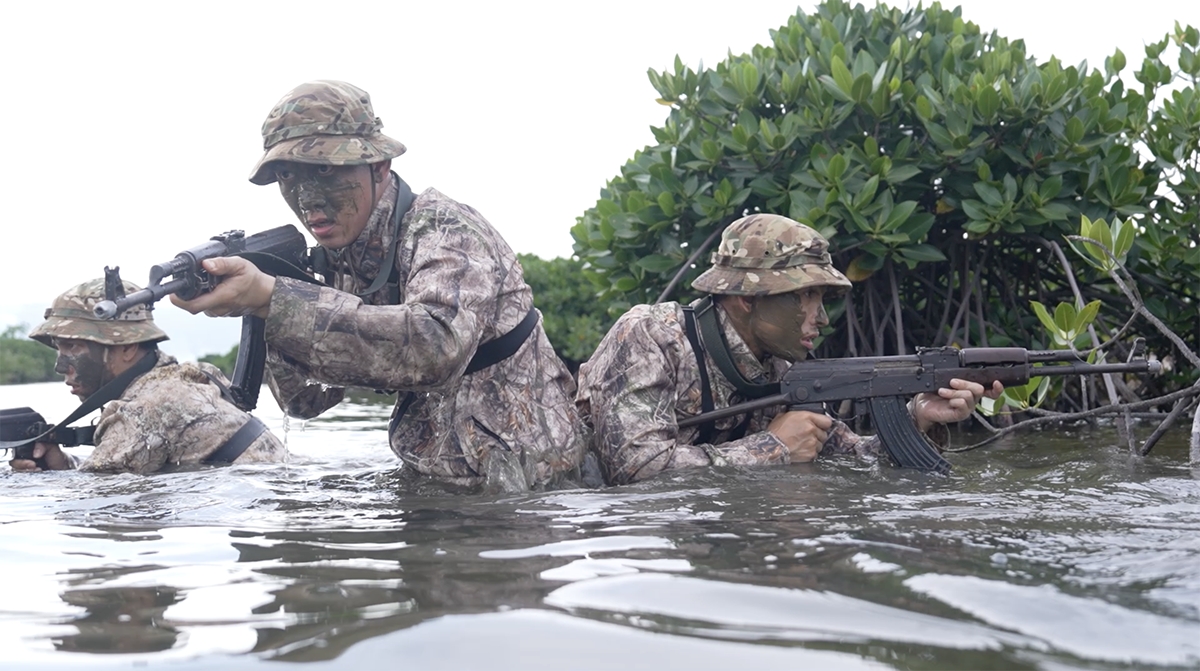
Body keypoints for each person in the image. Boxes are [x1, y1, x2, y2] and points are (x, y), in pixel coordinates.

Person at [171, 80, 585, 491]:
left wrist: (277, 299)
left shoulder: (444, 228)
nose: (308, 198)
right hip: (436, 481)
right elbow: (307, 402)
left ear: (379, 167)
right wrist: (268, 306)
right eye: (287, 176)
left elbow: (435, 348)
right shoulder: (343, 258)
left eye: (325, 173)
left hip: (529, 483)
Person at [576, 214, 1003, 485]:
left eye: (822, 299)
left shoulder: (785, 366)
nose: (821, 318)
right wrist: (773, 448)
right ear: (748, 298)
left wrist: (919, 419)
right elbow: (633, 470)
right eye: (805, 297)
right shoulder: (650, 336)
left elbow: (855, 458)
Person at [8, 278, 286, 474]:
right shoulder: (193, 376)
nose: (61, 365)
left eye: (73, 347)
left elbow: (95, 499)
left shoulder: (141, 412)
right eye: (59, 348)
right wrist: (64, 464)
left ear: (127, 348)